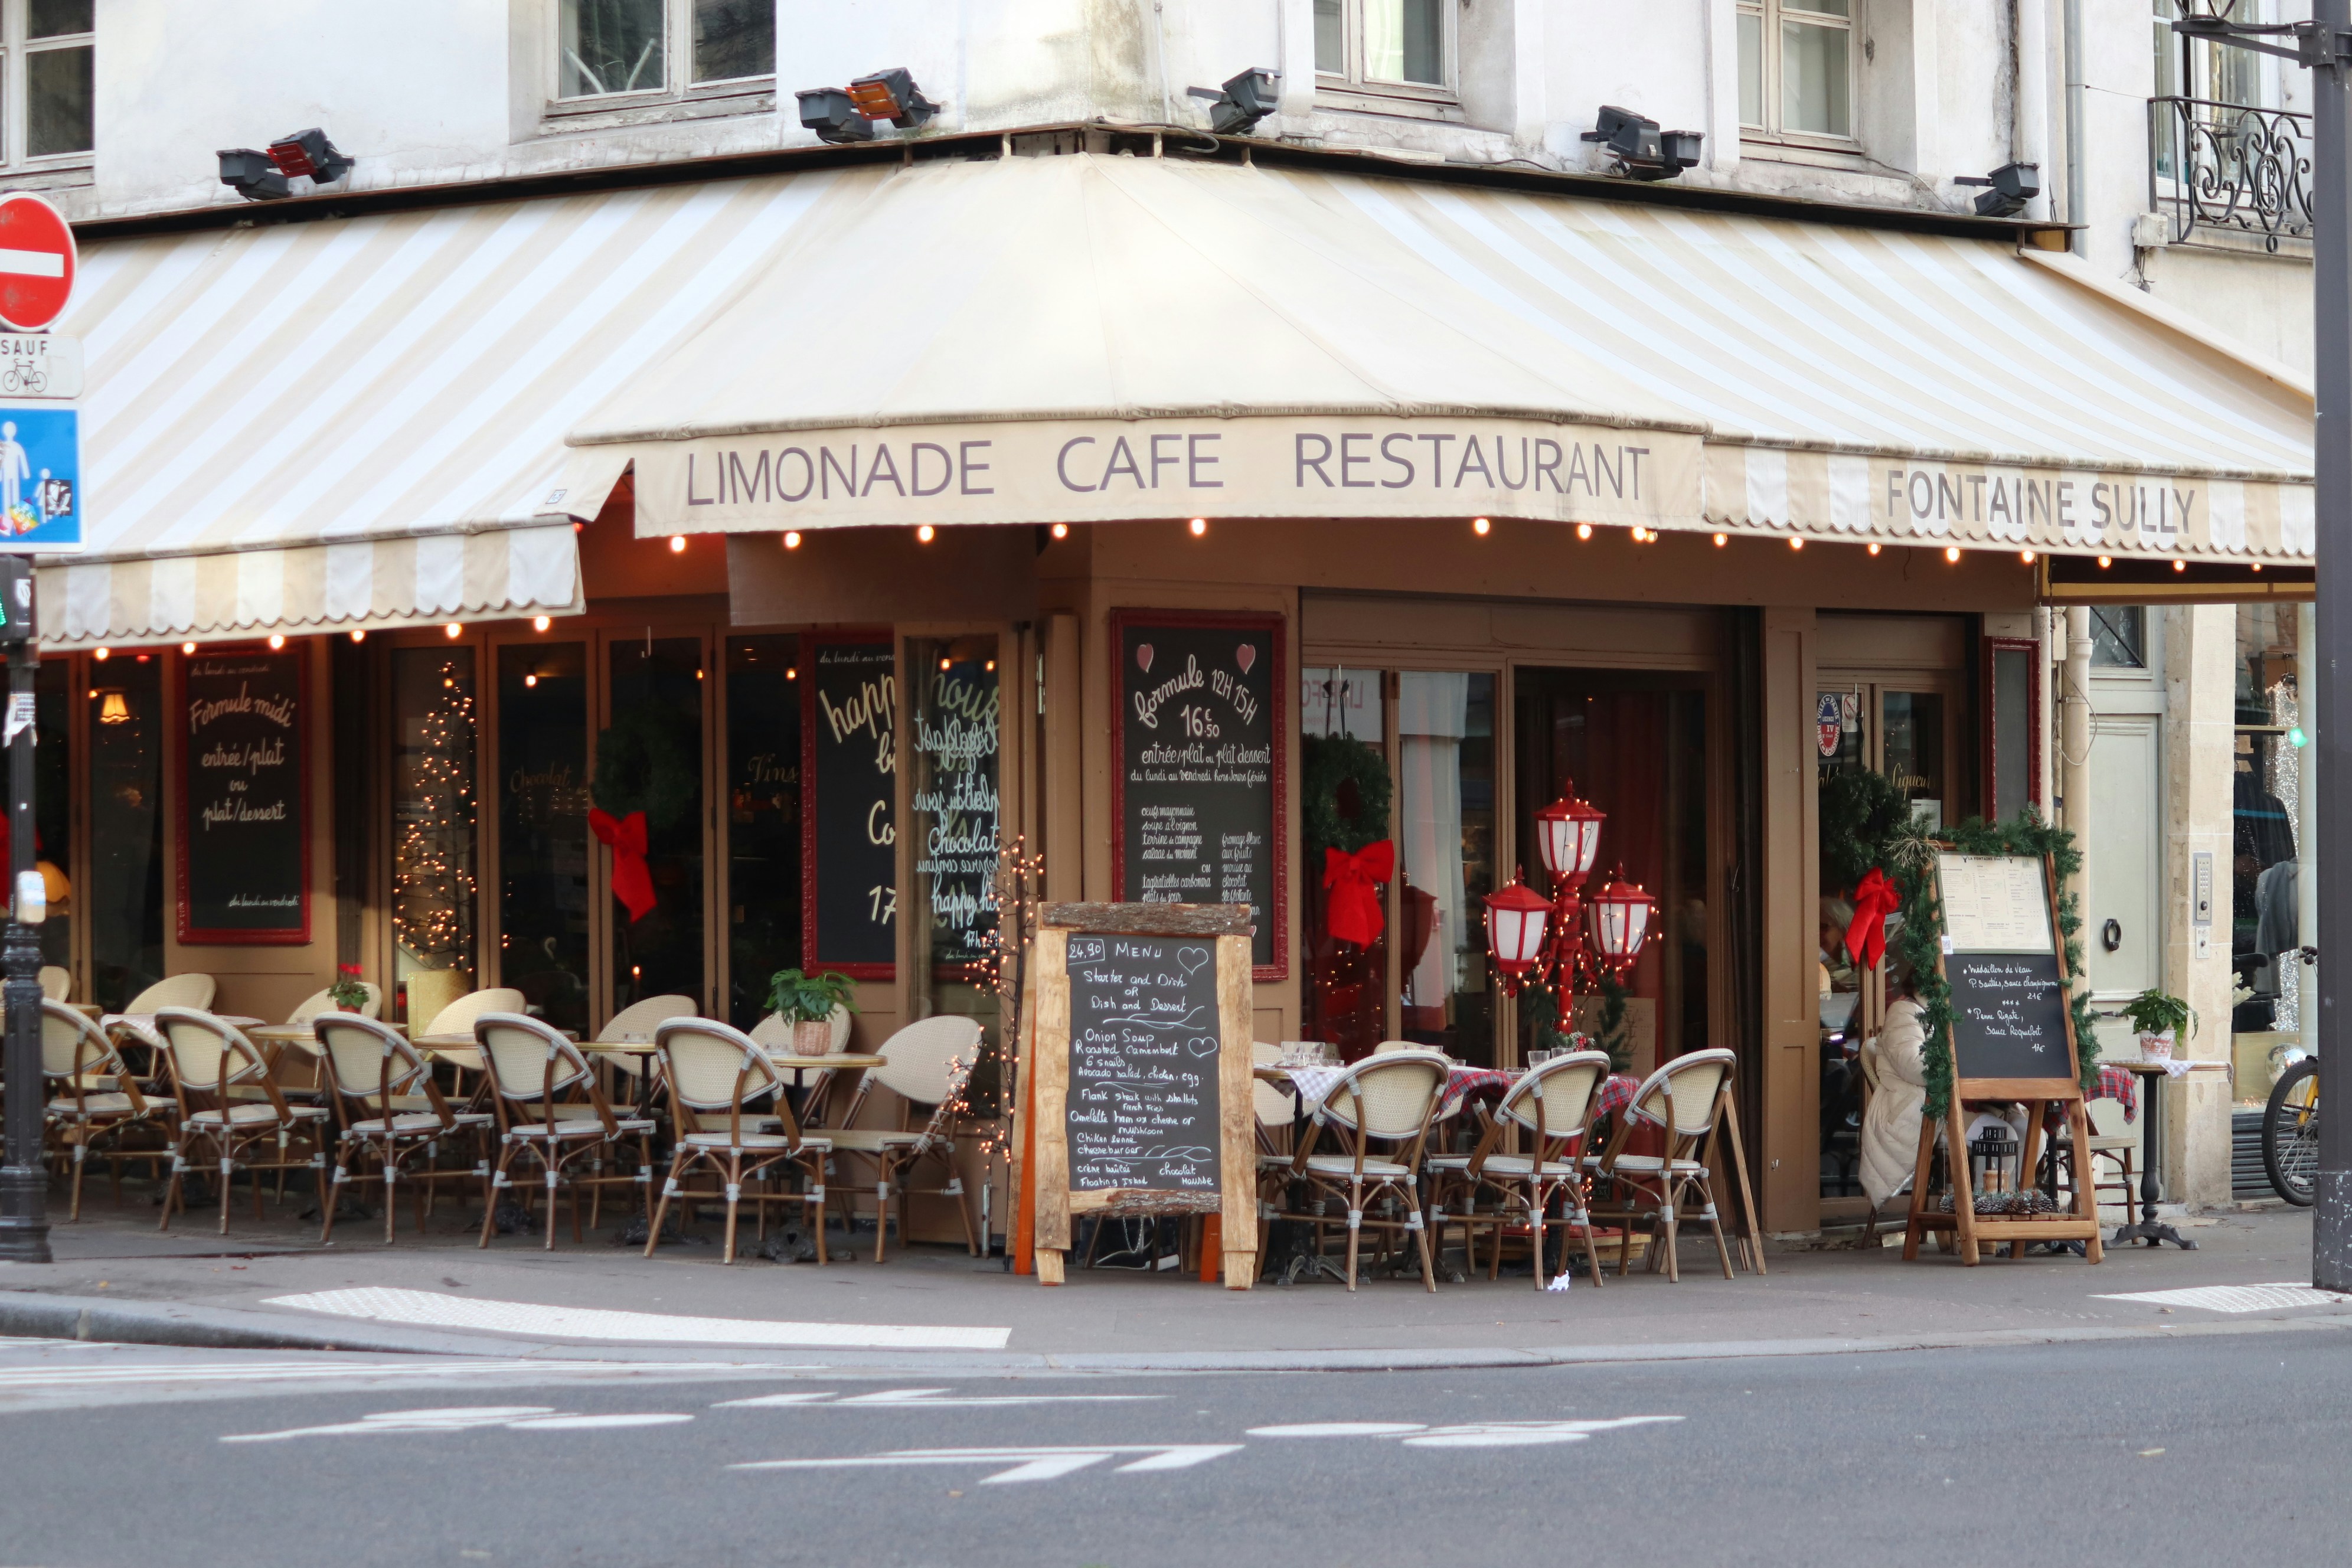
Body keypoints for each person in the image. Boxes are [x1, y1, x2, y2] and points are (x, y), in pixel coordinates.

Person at [1859, 960, 1927, 1211]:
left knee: (2030, 1134)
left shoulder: (1955, 1010)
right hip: (1917, 1107)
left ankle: (2006, 1211)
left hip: (1956, 1104)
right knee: (1999, 1133)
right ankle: (1977, 1215)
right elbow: (1914, 1067)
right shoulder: (1905, 1011)